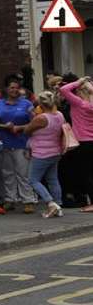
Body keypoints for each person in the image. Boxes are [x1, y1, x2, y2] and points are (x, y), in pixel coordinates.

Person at [0, 75, 37, 214]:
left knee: (23, 173)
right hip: (3, 143)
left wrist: (20, 127)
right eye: (11, 87)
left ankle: (28, 200)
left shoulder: (27, 104)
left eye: (17, 88)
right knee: (7, 173)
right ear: (6, 89)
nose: (14, 90)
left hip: (21, 143)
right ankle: (10, 199)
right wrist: (4, 126)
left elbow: (35, 122)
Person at [24, 91, 66, 218]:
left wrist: (32, 116)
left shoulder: (41, 118)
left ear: (41, 104)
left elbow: (27, 131)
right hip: (55, 152)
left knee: (33, 180)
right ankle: (58, 205)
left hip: (41, 153)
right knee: (52, 179)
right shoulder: (59, 115)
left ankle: (51, 203)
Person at [59, 77, 93, 212]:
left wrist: (80, 80)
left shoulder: (79, 103)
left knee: (85, 174)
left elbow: (63, 89)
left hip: (83, 142)